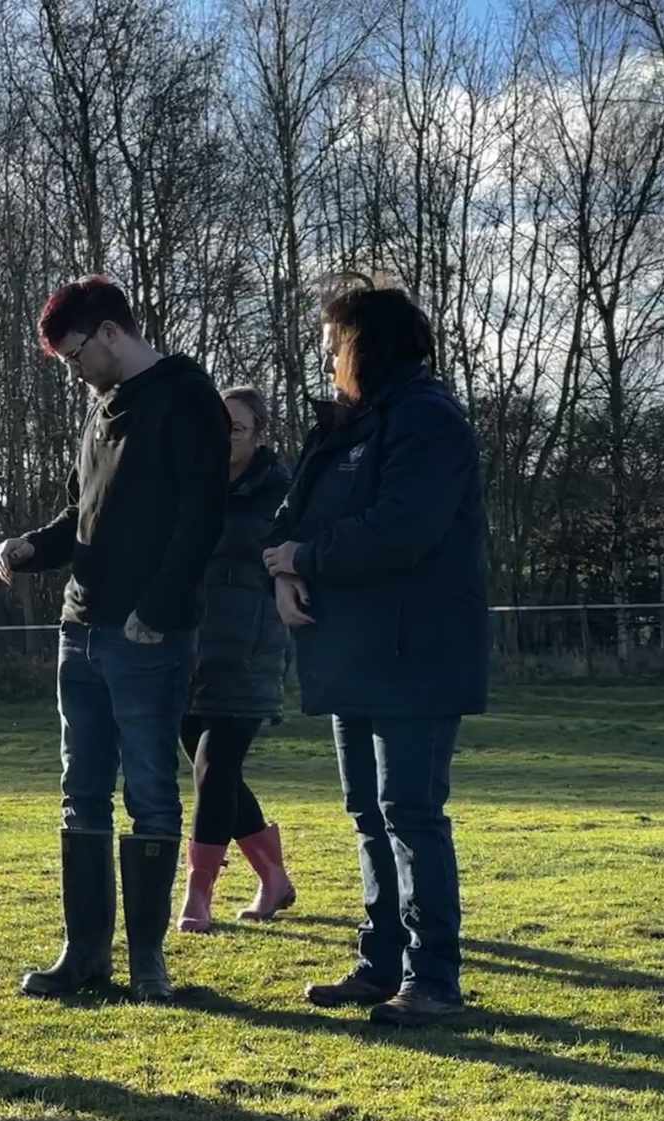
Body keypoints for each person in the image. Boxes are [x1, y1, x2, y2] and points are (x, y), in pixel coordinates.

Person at [0, 275, 229, 1003]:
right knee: (81, 793)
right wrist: (32, 547)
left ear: (108, 332)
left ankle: (148, 961)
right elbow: (82, 515)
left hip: (148, 637)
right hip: (81, 631)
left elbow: (202, 516)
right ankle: (84, 955)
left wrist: (157, 610)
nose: (75, 373)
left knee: (153, 793)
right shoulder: (100, 412)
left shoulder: (188, 395)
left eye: (74, 357)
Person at [262, 284, 488, 1026]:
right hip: (354, 651)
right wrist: (288, 569)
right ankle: (380, 960)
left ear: (364, 342)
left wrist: (303, 556)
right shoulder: (351, 426)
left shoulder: (428, 421)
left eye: (334, 343)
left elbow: (400, 530)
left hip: (414, 653)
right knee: (369, 811)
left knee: (411, 811)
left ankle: (435, 979)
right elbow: (290, 520)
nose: (327, 358)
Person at [176, 386, 295, 933]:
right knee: (212, 776)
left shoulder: (282, 492)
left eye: (238, 428)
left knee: (214, 766)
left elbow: (298, 562)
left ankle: (197, 895)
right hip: (186, 650)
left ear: (260, 433)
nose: (225, 437)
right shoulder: (187, 482)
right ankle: (273, 877)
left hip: (249, 652)